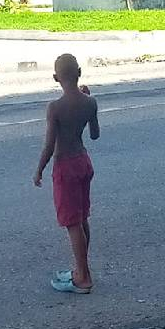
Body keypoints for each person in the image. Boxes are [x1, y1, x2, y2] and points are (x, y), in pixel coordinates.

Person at [34, 54, 101, 294]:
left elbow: (49, 146)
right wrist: (89, 101)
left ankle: (82, 278)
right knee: (82, 218)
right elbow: (94, 135)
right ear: (80, 72)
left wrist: (39, 169)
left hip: (66, 167)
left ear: (55, 78)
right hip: (83, 162)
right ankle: (81, 268)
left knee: (72, 223)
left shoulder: (55, 108)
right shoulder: (90, 103)